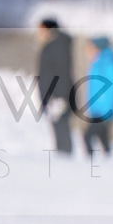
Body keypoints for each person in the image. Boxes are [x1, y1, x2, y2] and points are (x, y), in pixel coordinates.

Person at [36, 17, 74, 154]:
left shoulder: (58, 46)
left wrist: (61, 98)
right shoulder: (52, 45)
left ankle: (67, 165)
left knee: (62, 133)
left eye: (41, 29)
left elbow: (62, 73)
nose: (38, 33)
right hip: (53, 98)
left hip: (58, 98)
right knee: (58, 133)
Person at [80, 36, 113, 156]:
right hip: (97, 110)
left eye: (90, 48)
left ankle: (90, 166)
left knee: (87, 137)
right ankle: (109, 164)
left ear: (99, 48)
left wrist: (108, 111)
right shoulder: (97, 63)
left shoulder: (109, 65)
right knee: (103, 140)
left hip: (104, 111)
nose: (87, 51)